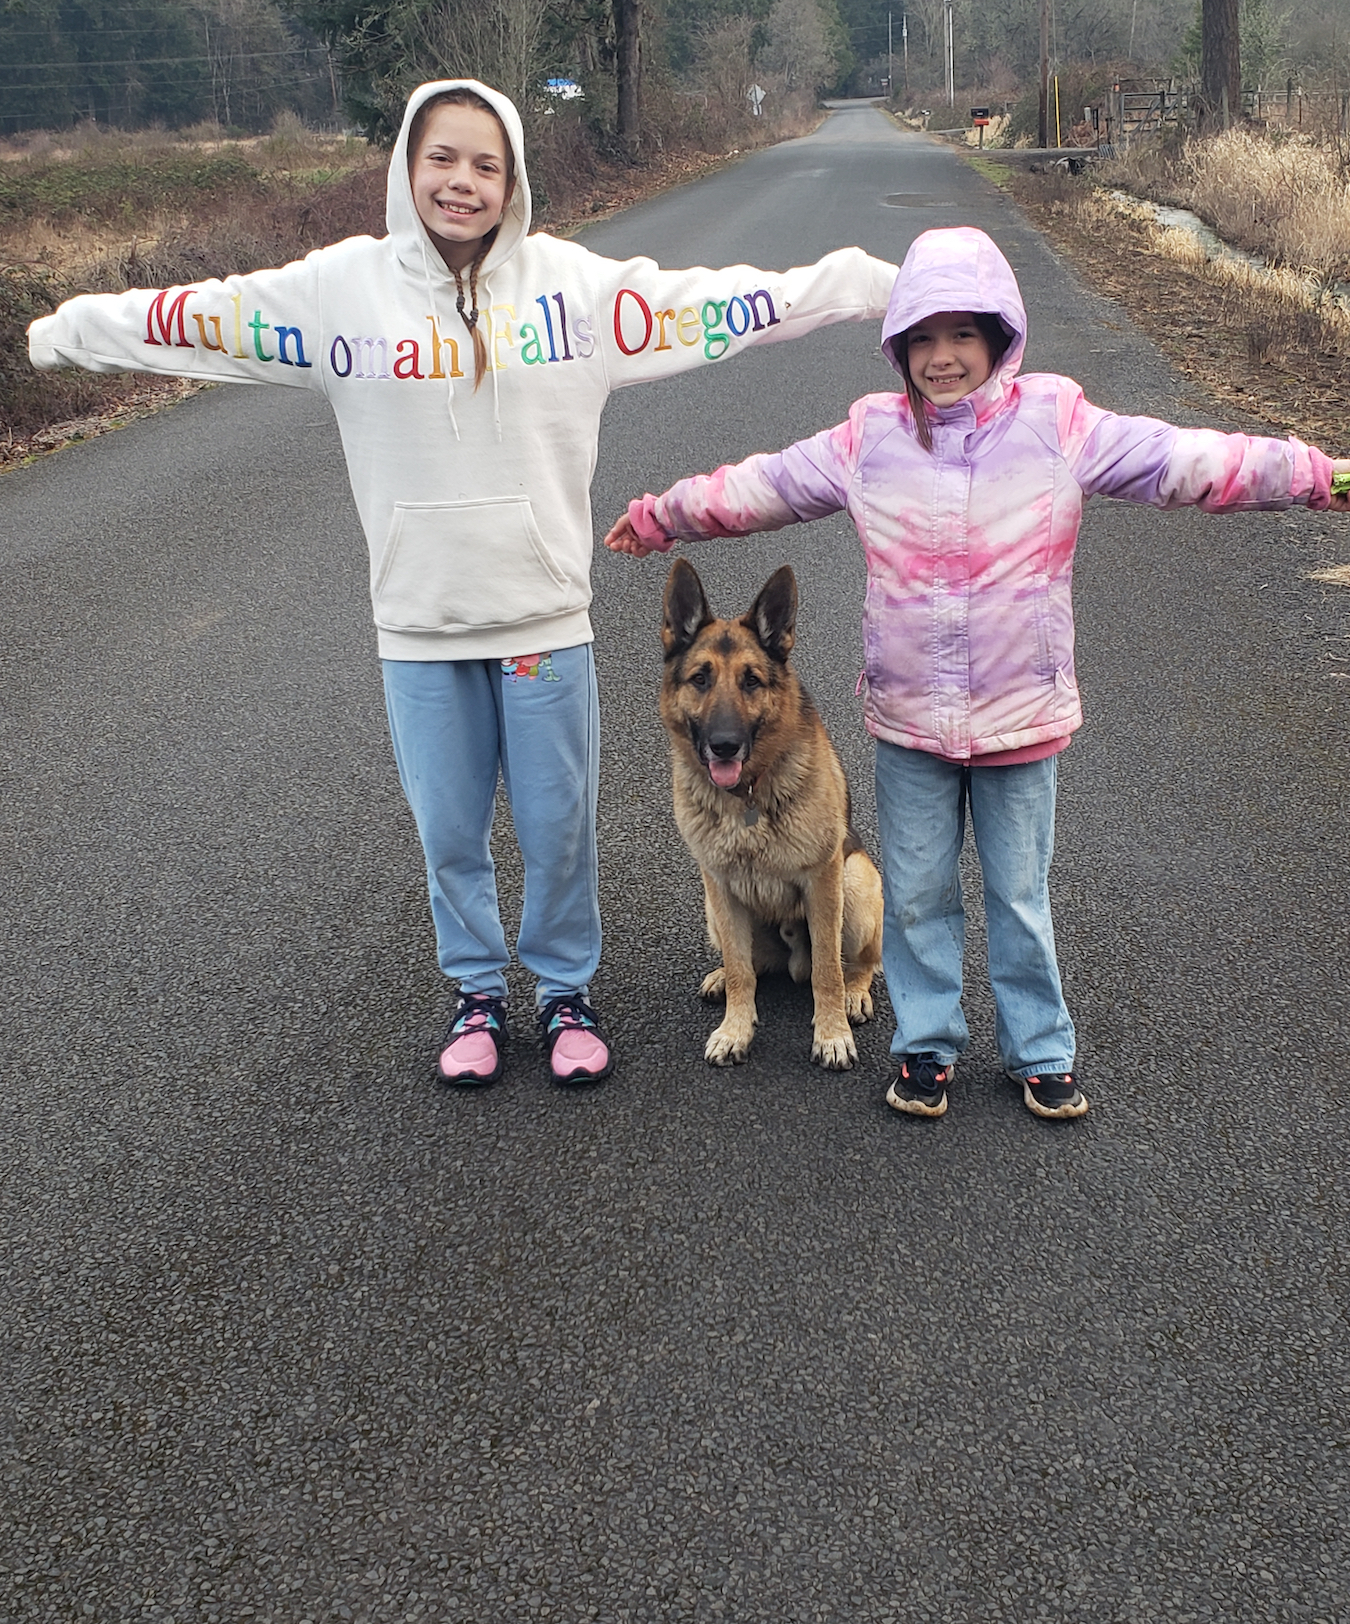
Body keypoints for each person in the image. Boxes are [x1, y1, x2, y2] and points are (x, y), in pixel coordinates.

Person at [28, 78, 899, 1090]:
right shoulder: (341, 293)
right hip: (420, 630)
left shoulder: (571, 291)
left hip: (543, 624)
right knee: (451, 836)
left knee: (559, 832)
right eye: (442, 158)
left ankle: (566, 995)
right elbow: (210, 318)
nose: (463, 181)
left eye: (488, 163)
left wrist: (853, 281)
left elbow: (712, 301)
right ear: (408, 167)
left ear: (513, 179)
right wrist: (83, 327)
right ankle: (477, 996)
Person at [606, 224, 1350, 1121]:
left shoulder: (1058, 422)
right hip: (911, 722)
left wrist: (1323, 478)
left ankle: (1040, 1049)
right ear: (900, 348)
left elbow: (1184, 461)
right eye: (922, 338)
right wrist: (662, 516)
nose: (942, 357)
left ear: (1001, 337)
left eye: (963, 335)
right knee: (917, 901)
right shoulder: (868, 438)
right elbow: (759, 487)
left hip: (1020, 719)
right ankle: (925, 1046)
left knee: (1019, 898)